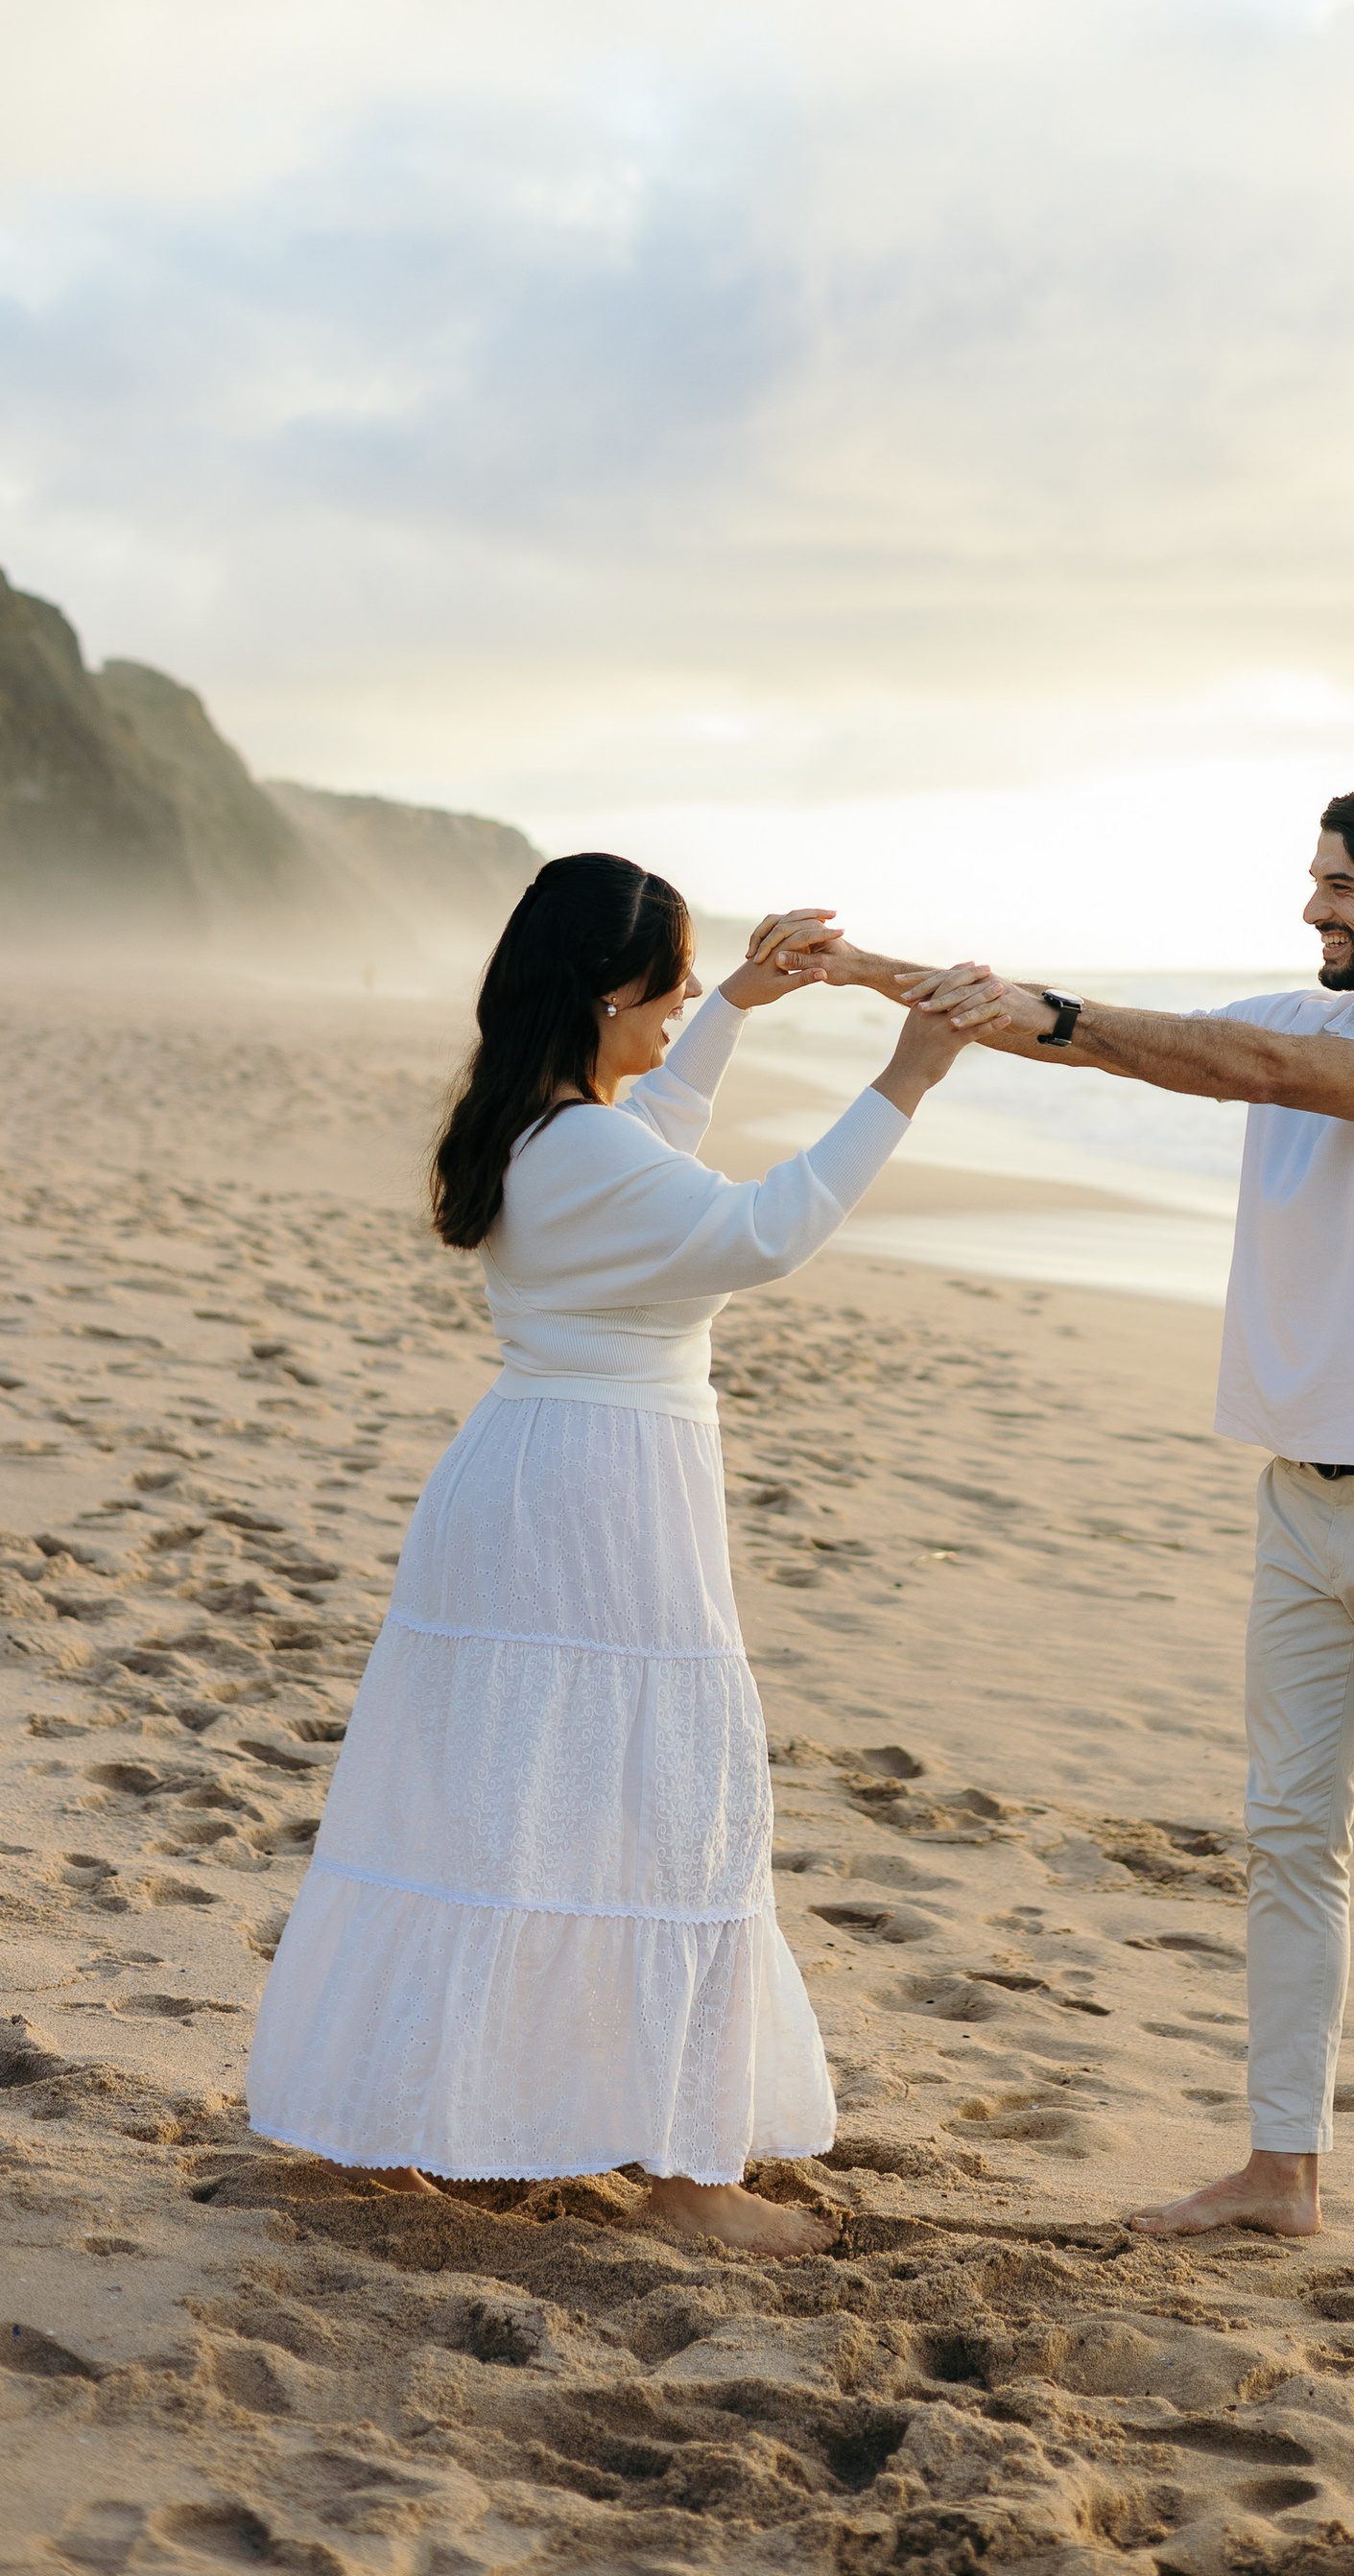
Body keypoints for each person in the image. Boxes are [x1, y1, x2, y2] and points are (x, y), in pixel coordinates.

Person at [830, 779, 1354, 2275]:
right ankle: (1279, 2167)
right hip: (1301, 1505)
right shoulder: (1302, 1018)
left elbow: (1250, 1066)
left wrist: (1057, 1013)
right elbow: (1158, 1048)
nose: (1314, 906)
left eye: (1343, 886)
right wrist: (888, 978)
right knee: (1289, 1842)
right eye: (1313, 879)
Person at [245, 852, 985, 2255]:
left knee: (485, 1805)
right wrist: (908, 1078)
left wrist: (741, 1009)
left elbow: (651, 1134)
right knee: (666, 1807)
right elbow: (760, 1233)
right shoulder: (580, 1145)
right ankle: (693, 2184)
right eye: (674, 981)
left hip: (533, 1482)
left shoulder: (538, 1123)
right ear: (599, 991)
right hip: (600, 1504)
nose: (688, 998)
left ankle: (412, 2116)